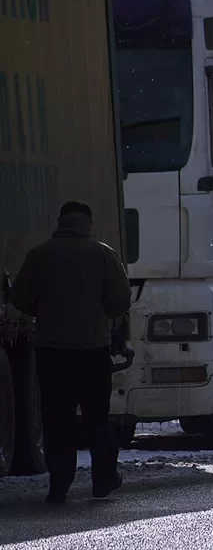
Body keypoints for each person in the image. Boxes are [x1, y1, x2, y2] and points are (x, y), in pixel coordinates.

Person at [9, 201, 132, 502]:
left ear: (60, 221)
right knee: (97, 419)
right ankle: (103, 479)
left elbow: (20, 299)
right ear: (88, 223)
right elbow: (119, 302)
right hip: (92, 352)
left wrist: (47, 310)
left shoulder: (39, 255)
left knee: (56, 419)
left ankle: (59, 485)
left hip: (52, 353)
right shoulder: (104, 254)